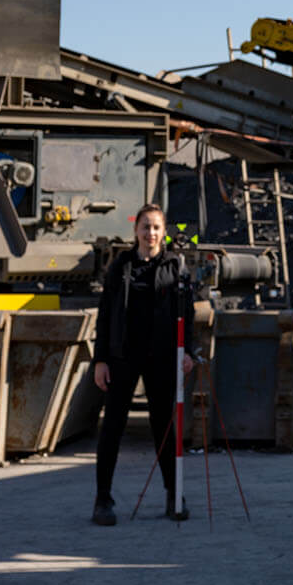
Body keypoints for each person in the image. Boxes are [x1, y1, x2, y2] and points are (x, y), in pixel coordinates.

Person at [91, 203, 196, 526]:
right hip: (123, 356)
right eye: (145, 226)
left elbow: (187, 315)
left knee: (164, 426)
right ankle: (103, 499)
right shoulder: (120, 266)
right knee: (112, 427)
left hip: (161, 357)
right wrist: (100, 360)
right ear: (135, 230)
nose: (150, 233)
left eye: (155, 227)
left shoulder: (176, 266)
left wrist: (187, 351)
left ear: (163, 232)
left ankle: (173, 494)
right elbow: (106, 314)